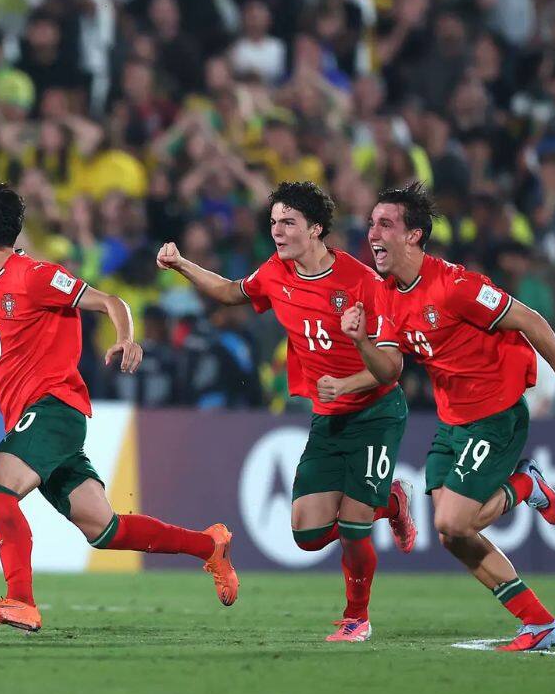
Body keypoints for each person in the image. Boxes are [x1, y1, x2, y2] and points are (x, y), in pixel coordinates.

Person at [0, 181, 237, 633]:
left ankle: (20, 600)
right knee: (105, 529)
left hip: (54, 408)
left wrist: (125, 339)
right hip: (34, 418)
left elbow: (109, 300)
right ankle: (208, 546)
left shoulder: (36, 275)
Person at [156, 181, 417, 642]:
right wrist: (180, 264)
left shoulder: (361, 282)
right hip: (329, 416)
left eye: (288, 223)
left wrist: (349, 378)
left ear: (316, 229)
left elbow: (392, 368)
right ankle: (391, 501)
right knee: (308, 534)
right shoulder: (276, 272)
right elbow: (230, 292)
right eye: (273, 222)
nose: (277, 231)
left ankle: (357, 617)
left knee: (354, 527)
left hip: (376, 412)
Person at [342, 182, 555, 652]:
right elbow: (389, 370)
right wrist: (360, 342)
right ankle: (539, 624)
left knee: (456, 522)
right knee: (451, 532)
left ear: (414, 235)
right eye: (372, 222)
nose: (373, 232)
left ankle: (525, 486)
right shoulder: (390, 294)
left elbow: (531, 320)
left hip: (496, 415)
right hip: (453, 420)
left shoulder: (456, 287)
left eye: (386, 224)